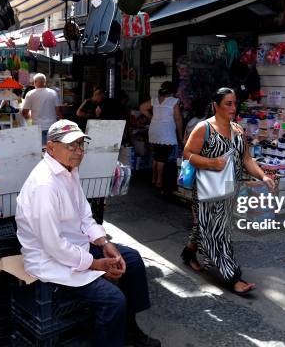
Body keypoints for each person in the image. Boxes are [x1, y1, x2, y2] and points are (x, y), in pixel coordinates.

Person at [15, 120, 161, 347]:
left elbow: (84, 214)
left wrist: (104, 243)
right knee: (113, 300)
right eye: (71, 146)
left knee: (131, 259)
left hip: (75, 247)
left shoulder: (68, 170)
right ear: (50, 147)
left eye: (81, 145)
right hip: (51, 260)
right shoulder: (44, 185)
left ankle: (130, 330)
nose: (79, 151)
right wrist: (95, 264)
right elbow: (54, 245)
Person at [181, 87, 277, 295]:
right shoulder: (203, 128)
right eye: (228, 103)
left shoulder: (238, 130)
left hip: (229, 190)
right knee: (217, 232)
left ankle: (188, 254)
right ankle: (232, 276)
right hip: (206, 190)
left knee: (205, 226)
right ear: (216, 105)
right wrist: (211, 162)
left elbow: (246, 160)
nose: (233, 108)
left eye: (235, 103)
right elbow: (187, 153)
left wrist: (263, 176)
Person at [139, 82, 183, 189]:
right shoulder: (173, 101)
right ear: (172, 91)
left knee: (157, 156)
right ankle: (159, 180)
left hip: (154, 131)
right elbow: (178, 119)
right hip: (165, 133)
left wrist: (151, 117)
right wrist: (180, 135)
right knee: (162, 158)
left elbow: (142, 107)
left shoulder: (155, 100)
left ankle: (154, 178)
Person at [21, 73, 62, 145]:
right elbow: (58, 111)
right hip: (51, 126)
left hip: (37, 127)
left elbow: (24, 112)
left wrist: (29, 119)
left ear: (35, 82)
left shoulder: (30, 94)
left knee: (40, 150)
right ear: (44, 82)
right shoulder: (53, 93)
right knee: (51, 150)